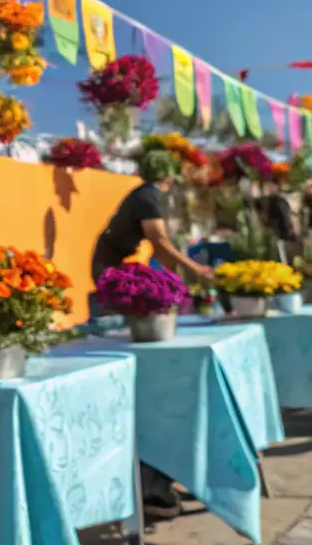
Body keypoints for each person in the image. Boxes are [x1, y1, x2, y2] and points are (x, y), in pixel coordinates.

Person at [92, 165, 214, 520]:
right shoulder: (149, 195)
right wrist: (192, 269)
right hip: (109, 270)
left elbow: (160, 248)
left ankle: (160, 473)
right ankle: (149, 478)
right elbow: (159, 241)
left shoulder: (149, 195)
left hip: (116, 265)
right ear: (171, 173)